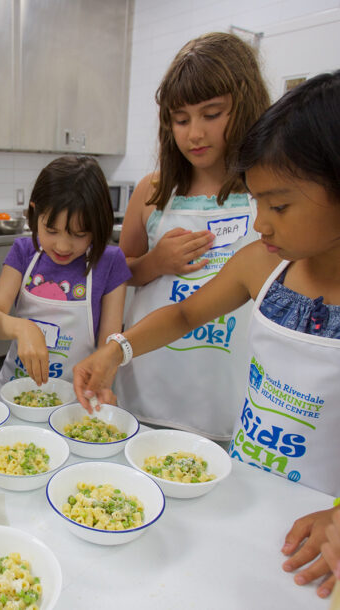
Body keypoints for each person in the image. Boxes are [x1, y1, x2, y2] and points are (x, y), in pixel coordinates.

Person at [74, 70, 340, 597]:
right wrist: (117, 350)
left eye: (279, 206)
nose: (261, 223)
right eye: (258, 202)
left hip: (318, 525)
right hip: (242, 488)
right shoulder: (261, 264)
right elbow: (184, 316)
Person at [114, 32, 270, 441]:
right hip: (149, 387)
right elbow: (117, 274)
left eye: (212, 114)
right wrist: (153, 264)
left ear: (246, 105)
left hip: (229, 396)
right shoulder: (153, 192)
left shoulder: (268, 193)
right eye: (181, 120)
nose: (194, 134)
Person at [0, 156, 130, 398]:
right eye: (51, 231)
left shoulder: (110, 263)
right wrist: (21, 328)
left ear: (98, 224)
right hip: (17, 393)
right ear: (34, 213)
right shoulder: (23, 252)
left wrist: (102, 385)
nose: (63, 246)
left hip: (76, 397)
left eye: (79, 234)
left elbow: (108, 346)